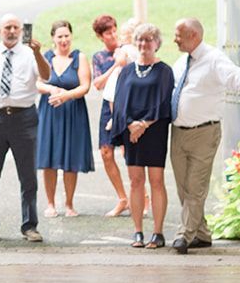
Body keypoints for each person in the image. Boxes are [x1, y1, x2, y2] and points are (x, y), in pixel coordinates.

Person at [166, 17, 240, 254]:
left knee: (195, 187)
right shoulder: (181, 62)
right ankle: (201, 234)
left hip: (204, 133)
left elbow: (233, 75)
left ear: (193, 36)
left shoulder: (213, 59)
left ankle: (184, 235)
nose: (174, 39)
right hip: (178, 132)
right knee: (183, 188)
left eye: (178, 35)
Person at [0, 14, 50, 243]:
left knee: (28, 175)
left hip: (24, 118)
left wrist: (38, 52)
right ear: (0, 30)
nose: (12, 31)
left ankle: (30, 225)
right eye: (7, 27)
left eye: (16, 27)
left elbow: (47, 76)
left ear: (21, 30)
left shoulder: (30, 54)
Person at [111, 23, 175, 250]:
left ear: (157, 43)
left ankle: (157, 233)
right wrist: (130, 125)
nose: (143, 44)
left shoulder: (165, 70)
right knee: (136, 181)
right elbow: (119, 102)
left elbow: (164, 101)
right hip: (132, 133)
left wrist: (144, 124)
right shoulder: (126, 71)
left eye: (148, 40)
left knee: (156, 181)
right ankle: (137, 231)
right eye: (140, 40)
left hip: (154, 130)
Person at [34, 19, 93, 218]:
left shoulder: (80, 57)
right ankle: (50, 204)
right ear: (53, 38)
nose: (64, 39)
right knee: (49, 158)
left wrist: (66, 95)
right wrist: (52, 89)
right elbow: (37, 83)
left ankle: (69, 203)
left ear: (71, 36)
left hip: (73, 112)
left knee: (70, 159)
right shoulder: (46, 57)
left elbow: (85, 86)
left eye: (67, 35)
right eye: (60, 36)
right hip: (49, 112)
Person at [91, 15, 134, 217]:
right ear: (100, 36)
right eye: (108, 32)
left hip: (128, 105)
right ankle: (122, 199)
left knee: (130, 153)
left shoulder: (127, 50)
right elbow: (98, 84)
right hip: (108, 107)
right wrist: (115, 66)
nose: (113, 35)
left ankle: (141, 198)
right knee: (106, 153)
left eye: (114, 30)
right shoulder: (99, 58)